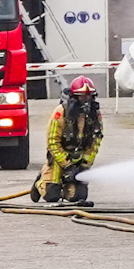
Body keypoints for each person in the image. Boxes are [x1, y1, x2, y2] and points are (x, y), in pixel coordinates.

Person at [42, 76, 103, 206]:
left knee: (79, 197)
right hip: (60, 159)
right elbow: (52, 142)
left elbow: (96, 141)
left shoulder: (95, 115)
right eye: (82, 97)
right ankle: (40, 183)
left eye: (89, 96)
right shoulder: (60, 113)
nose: (86, 101)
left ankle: (65, 189)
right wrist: (67, 166)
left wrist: (85, 165)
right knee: (51, 195)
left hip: (79, 159)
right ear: (74, 97)